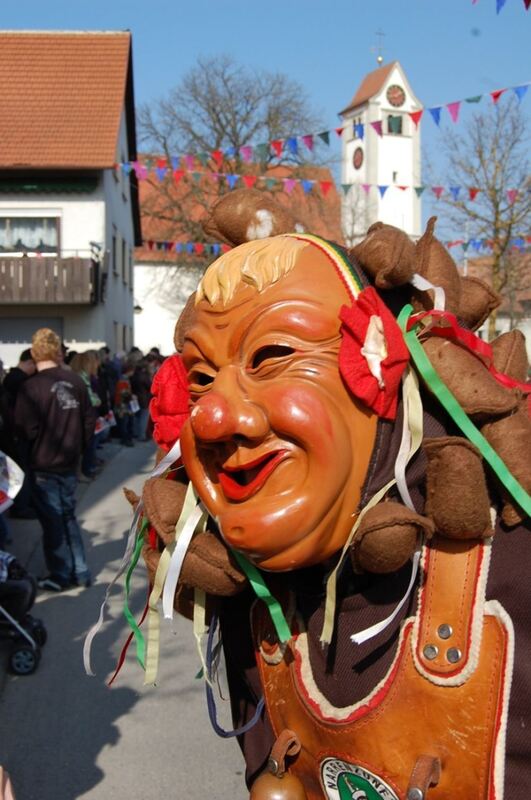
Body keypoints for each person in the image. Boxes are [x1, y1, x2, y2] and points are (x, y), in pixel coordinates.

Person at [123, 194, 530, 798]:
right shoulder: (243, 591)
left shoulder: (512, 555)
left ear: (379, 371)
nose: (211, 419)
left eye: (273, 356)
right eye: (202, 380)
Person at [14, 328, 94, 591]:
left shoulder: (31, 387)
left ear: (35, 353)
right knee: (68, 516)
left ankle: (61, 574)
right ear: (57, 351)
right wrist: (79, 448)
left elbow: (25, 428)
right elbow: (88, 420)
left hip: (44, 464)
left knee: (53, 521)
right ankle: (80, 570)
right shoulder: (76, 382)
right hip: (68, 462)